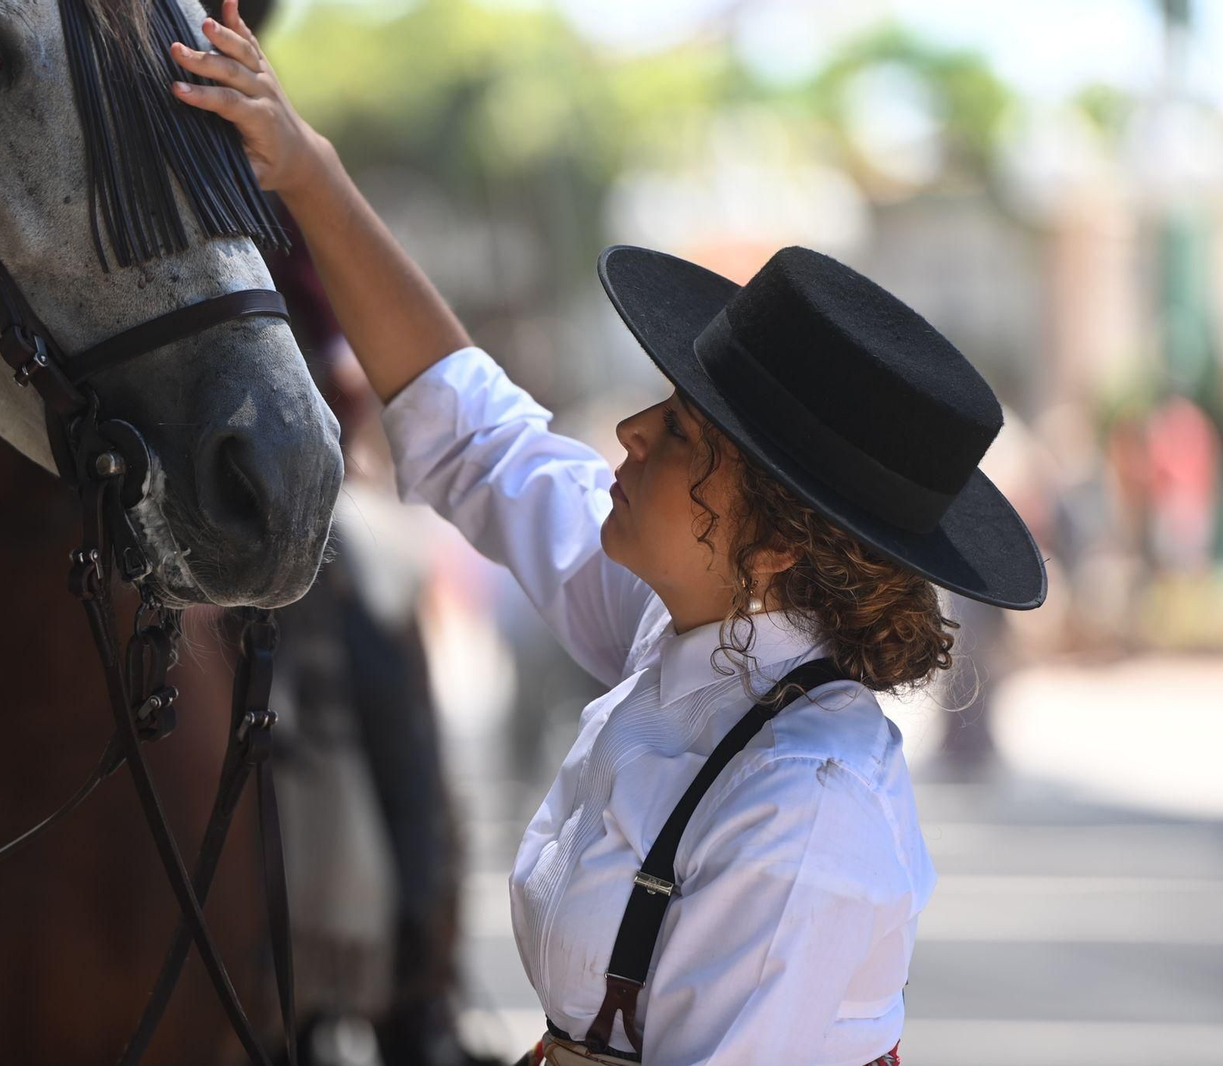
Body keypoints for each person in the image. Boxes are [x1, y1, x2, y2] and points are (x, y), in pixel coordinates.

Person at [168, 5, 1047, 1064]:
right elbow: (477, 438)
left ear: (774, 545)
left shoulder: (803, 820)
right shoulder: (689, 627)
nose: (626, 433)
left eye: (678, 432)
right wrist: (306, 171)